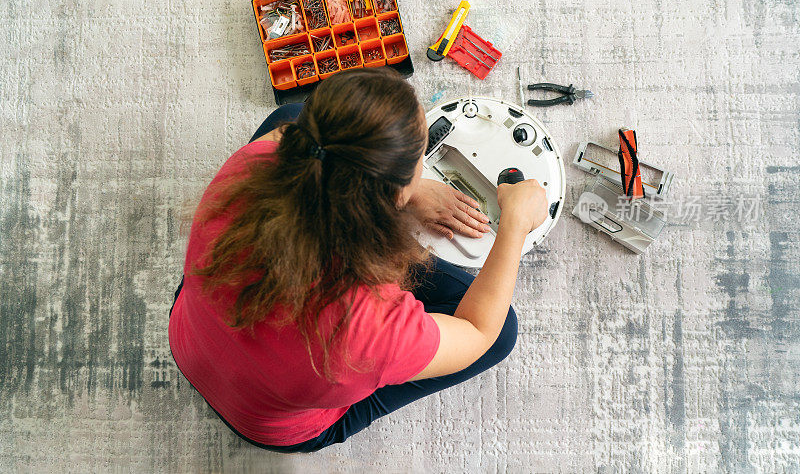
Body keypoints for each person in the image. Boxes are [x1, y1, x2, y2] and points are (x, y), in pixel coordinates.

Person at [168, 68, 549, 453]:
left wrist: (406, 189)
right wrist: (514, 225)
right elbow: (478, 332)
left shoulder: (248, 167)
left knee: (292, 113)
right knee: (502, 333)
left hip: (191, 343)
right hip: (273, 426)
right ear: (387, 195)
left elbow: (295, 139)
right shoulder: (369, 330)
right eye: (417, 162)